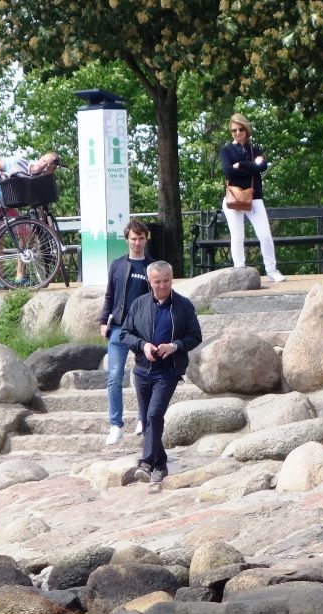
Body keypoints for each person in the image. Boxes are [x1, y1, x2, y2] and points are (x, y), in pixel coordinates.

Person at [118, 261, 202, 491]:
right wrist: (143, 345)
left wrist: (175, 346)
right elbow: (124, 333)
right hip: (142, 370)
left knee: (155, 414)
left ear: (172, 278)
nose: (162, 285)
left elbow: (195, 336)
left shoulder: (183, 305)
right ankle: (161, 464)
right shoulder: (139, 304)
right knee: (146, 419)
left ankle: (145, 463)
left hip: (168, 371)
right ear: (150, 281)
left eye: (166, 280)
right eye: (157, 282)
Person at [99, 219, 155, 446]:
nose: (137, 242)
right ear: (127, 239)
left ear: (146, 239)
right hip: (119, 328)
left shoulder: (152, 266)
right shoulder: (118, 265)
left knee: (144, 376)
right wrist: (104, 320)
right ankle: (116, 425)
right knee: (114, 376)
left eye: (141, 238)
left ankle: (143, 418)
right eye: (133, 238)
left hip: (143, 331)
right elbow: (110, 295)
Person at [220, 113, 286, 282]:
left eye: (240, 129)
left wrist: (241, 164)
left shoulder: (255, 149)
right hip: (233, 197)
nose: (236, 133)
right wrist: (251, 166)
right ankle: (240, 269)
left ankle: (271, 269)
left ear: (246, 129)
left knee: (264, 234)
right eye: (233, 130)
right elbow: (228, 171)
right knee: (237, 235)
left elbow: (262, 167)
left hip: (254, 196)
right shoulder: (226, 150)